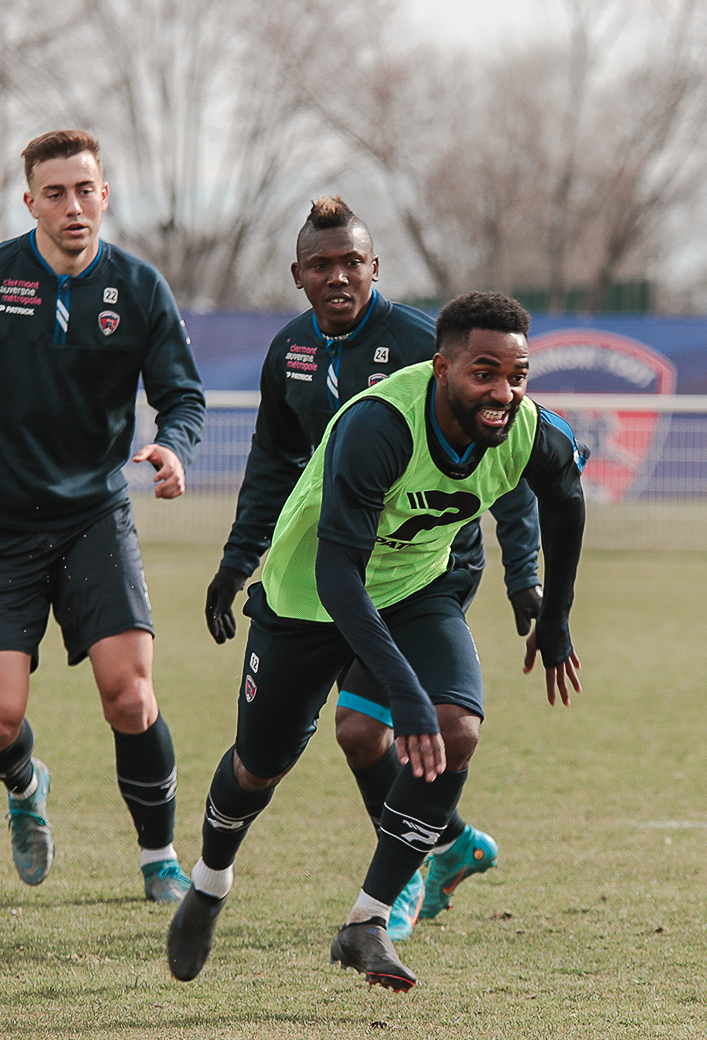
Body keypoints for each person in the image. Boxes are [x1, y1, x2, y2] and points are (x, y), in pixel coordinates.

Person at [169, 291, 586, 991]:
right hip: (310, 596)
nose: (503, 393)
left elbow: (566, 496)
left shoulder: (526, 428)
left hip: (416, 590)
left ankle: (367, 921)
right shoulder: (379, 426)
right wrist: (403, 693)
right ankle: (209, 883)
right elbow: (337, 574)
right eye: (484, 373)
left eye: (517, 376)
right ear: (442, 366)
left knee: (457, 728)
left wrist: (556, 616)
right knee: (257, 766)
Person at [205, 196, 543, 942]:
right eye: (322, 265)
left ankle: (408, 872)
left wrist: (526, 574)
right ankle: (448, 843)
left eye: (352, 262)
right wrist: (238, 561)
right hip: (342, 571)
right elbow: (273, 463)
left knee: (395, 726)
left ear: (374, 267)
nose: (338, 277)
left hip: (425, 572)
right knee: (359, 735)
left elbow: (511, 460)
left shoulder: (428, 345)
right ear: (298, 275)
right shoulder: (290, 350)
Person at [0, 130, 206, 903]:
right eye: (55, 193)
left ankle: (159, 857)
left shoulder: (138, 288)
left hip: (95, 517)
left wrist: (172, 447)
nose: (73, 205)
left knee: (130, 695)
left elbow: (183, 396)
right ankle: (26, 787)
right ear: (28, 202)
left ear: (106, 195)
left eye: (85, 190)